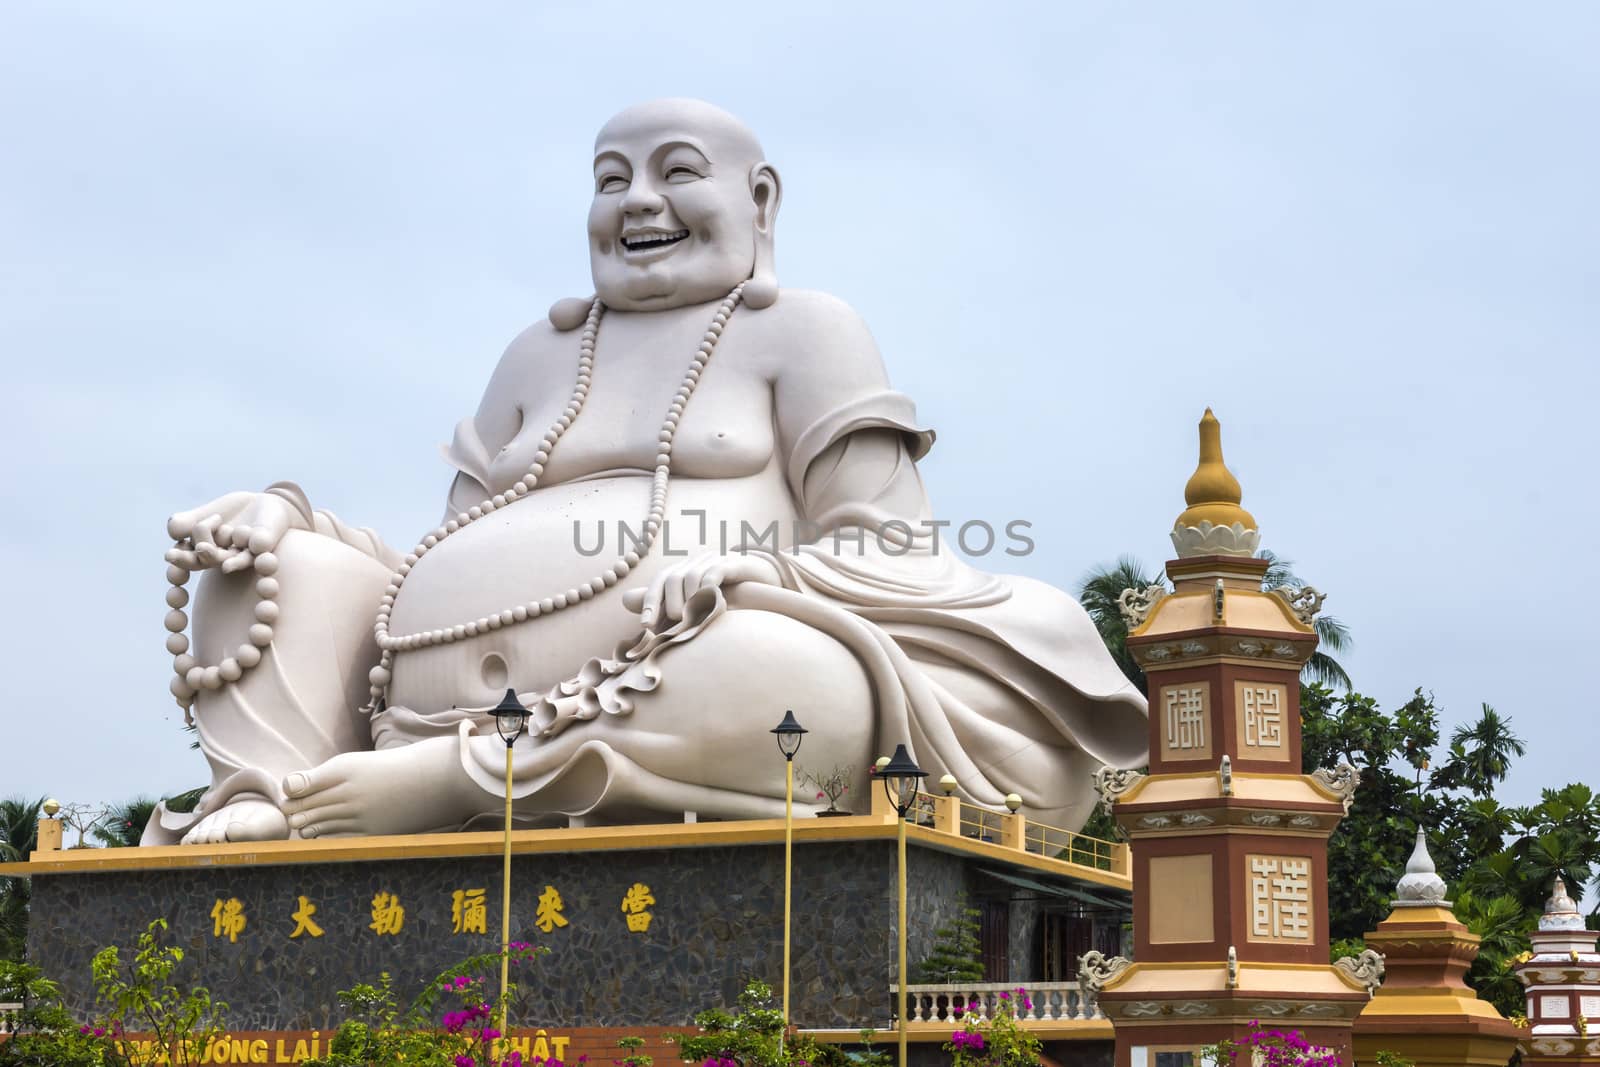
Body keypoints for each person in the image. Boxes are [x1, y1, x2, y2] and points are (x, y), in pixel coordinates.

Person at [148, 98, 1146, 845]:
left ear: (758, 200)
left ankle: (463, 780)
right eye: (610, 177)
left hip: (685, 664)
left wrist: (764, 575)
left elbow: (887, 544)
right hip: (413, 698)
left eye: (675, 172)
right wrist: (291, 525)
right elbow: (435, 552)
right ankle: (275, 789)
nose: (638, 202)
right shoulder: (538, 353)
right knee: (276, 568)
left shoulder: (803, 332)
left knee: (799, 687)